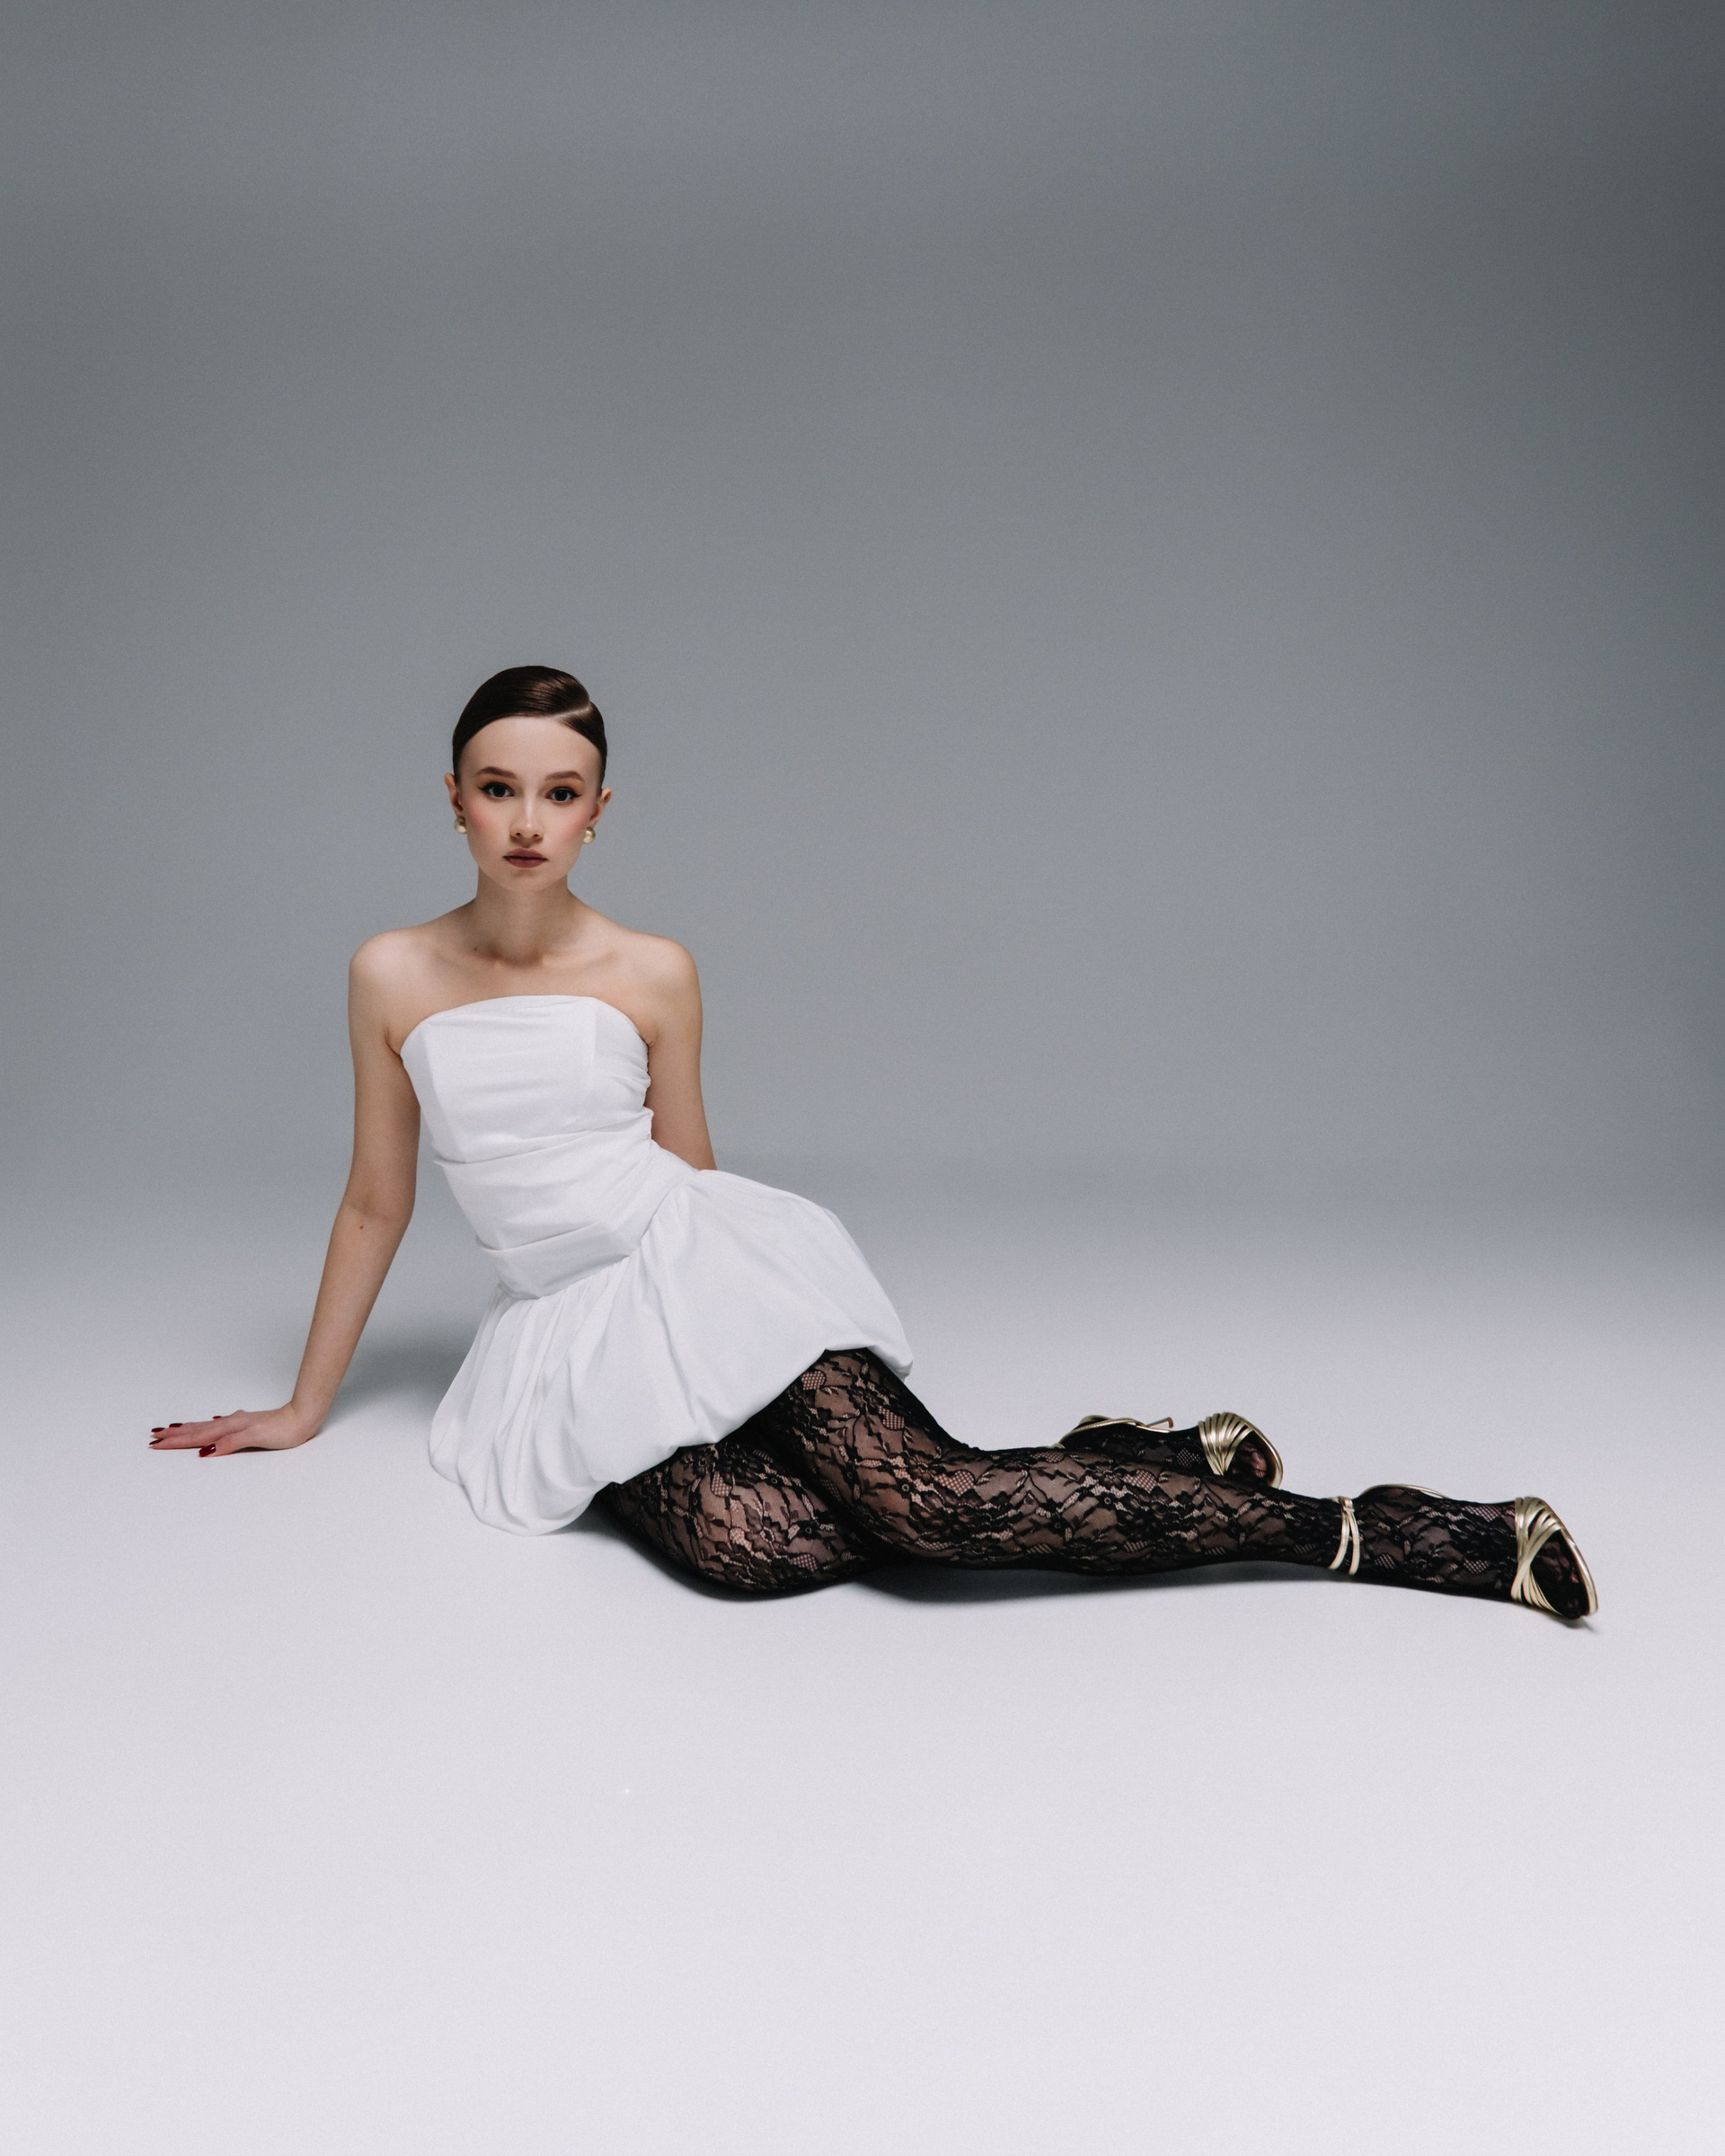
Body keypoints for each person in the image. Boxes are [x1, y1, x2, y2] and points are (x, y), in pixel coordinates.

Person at [149, 667, 1597, 1619]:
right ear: (455, 798)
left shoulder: (654, 969)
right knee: (747, 1551)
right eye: (498, 786)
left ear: (598, 813)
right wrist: (302, 1406)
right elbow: (374, 1202)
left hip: (687, 1251)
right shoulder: (390, 973)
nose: (527, 820)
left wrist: (737, 1349)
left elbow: (692, 1169)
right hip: (557, 1319)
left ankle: (1387, 1530)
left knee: (931, 1507)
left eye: (560, 791)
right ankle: (1127, 1460)